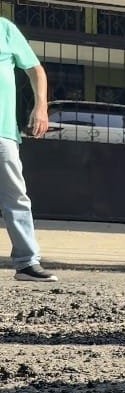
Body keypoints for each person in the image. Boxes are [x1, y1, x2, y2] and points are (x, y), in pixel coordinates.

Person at [0, 17, 56, 282]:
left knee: (16, 197)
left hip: (3, 132)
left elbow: (35, 69)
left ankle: (26, 263)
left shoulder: (6, 29)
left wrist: (41, 106)